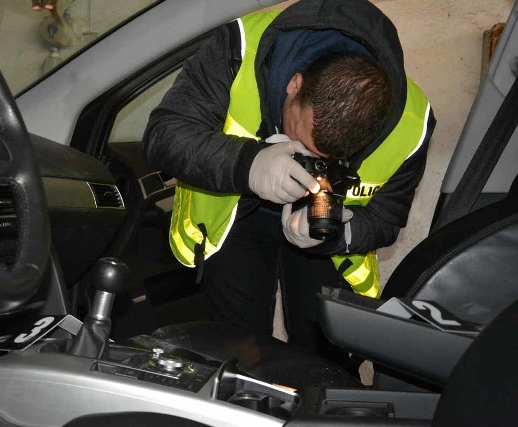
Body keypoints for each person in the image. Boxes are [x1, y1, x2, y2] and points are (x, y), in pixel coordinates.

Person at [143, 0, 435, 357]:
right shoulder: (239, 49)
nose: (306, 159)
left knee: (325, 355)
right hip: (236, 217)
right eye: (301, 141)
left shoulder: (411, 125)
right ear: (294, 86)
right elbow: (165, 134)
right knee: (237, 350)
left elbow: (386, 219)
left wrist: (340, 235)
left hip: (319, 232)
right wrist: (249, 165)